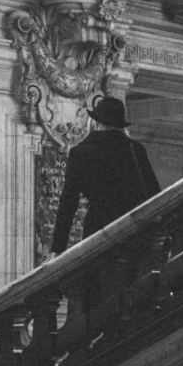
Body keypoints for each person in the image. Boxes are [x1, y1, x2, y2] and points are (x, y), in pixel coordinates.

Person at [50, 94, 161, 255]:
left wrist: (58, 249)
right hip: (132, 231)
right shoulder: (135, 149)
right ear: (121, 125)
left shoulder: (80, 152)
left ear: (95, 121)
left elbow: (68, 203)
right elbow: (154, 193)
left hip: (97, 229)